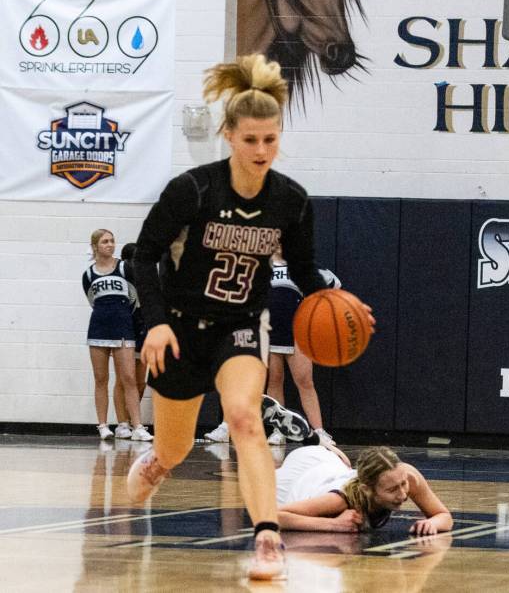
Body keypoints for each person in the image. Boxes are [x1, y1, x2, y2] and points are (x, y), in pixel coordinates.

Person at [126, 54, 374, 581]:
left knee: (244, 417)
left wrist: (340, 300)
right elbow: (140, 255)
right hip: (178, 327)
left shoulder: (291, 201)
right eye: (251, 140)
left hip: (240, 324)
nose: (262, 150)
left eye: (271, 139)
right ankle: (160, 462)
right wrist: (153, 322)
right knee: (177, 443)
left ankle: (266, 540)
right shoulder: (193, 190)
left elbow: (304, 271)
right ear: (229, 136)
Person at [203, 254, 340, 446]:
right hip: (267, 331)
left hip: (296, 332)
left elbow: (333, 285)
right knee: (274, 380)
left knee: (304, 380)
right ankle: (278, 430)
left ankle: (319, 431)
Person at [275, 444, 452, 535]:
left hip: (330, 466)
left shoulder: (406, 475)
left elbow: (444, 516)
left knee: (340, 464)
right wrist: (333, 525)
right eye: (392, 490)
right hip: (295, 480)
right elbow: (273, 516)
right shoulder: (340, 500)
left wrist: (432, 523)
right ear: (368, 489)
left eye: (403, 484)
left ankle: (323, 445)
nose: (403, 494)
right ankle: (312, 442)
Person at [82, 230, 153, 442]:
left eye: (112, 241)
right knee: (101, 379)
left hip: (124, 328)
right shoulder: (88, 275)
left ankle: (137, 426)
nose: (110, 245)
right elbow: (93, 301)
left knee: (129, 378)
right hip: (98, 329)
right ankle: (103, 426)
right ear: (95, 246)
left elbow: (136, 296)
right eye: (105, 241)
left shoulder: (125, 267)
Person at [111, 243, 149, 439]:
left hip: (144, 328)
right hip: (126, 327)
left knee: (140, 381)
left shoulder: (149, 278)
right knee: (124, 379)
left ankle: (133, 421)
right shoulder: (121, 274)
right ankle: (122, 423)